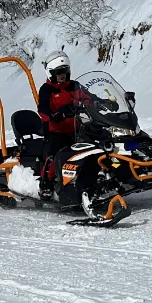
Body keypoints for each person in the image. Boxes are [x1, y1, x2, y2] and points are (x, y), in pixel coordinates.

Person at [36, 50, 90, 199]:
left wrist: (102, 102)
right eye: (58, 72)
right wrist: (54, 116)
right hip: (56, 130)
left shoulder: (74, 86)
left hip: (77, 128)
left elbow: (87, 98)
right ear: (50, 73)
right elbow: (43, 109)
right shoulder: (47, 89)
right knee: (55, 152)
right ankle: (46, 183)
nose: (62, 75)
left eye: (64, 71)